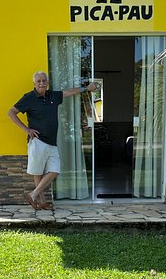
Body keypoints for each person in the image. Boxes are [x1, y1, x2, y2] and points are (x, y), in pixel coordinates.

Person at [8, 71, 98, 209]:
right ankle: (42, 201)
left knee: (55, 170)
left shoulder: (52, 96)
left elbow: (68, 92)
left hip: (51, 142)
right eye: (39, 81)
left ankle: (33, 194)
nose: (42, 83)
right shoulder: (29, 98)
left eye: (44, 81)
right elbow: (11, 113)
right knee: (38, 172)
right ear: (34, 83)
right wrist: (26, 129)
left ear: (47, 82)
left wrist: (86, 88)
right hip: (37, 141)